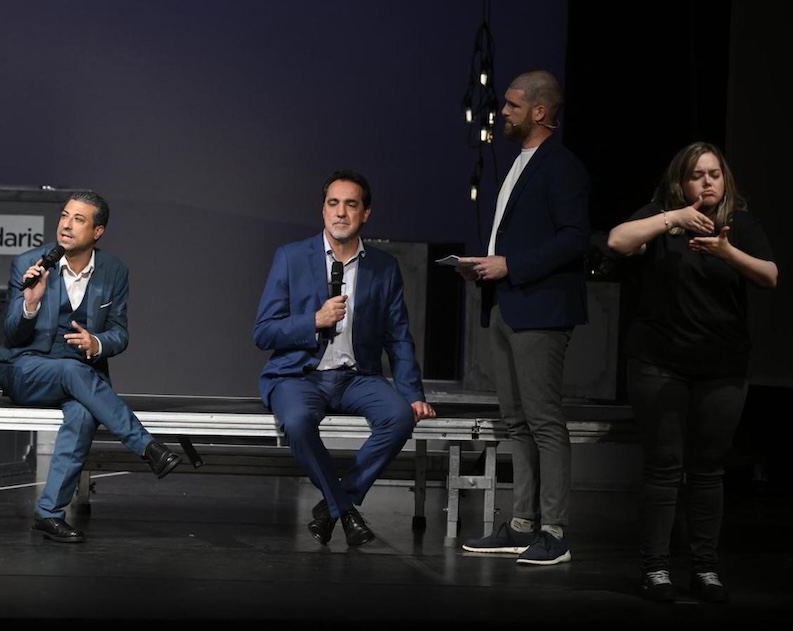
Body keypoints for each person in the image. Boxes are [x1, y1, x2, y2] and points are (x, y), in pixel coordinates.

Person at [606, 141, 778, 603]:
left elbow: (770, 276)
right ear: (681, 182)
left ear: (725, 181)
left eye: (715, 174)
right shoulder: (663, 216)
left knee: (707, 471)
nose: (707, 181)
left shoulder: (740, 223)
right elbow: (617, 241)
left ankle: (705, 570)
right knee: (664, 469)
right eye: (697, 174)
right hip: (659, 362)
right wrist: (673, 220)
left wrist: (727, 253)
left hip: (721, 365)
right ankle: (656, 570)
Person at [252, 169, 437, 548]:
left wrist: (413, 392)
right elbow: (263, 332)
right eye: (333, 204)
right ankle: (345, 510)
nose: (341, 212)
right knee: (298, 422)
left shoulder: (384, 268)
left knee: (400, 417)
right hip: (298, 376)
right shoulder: (290, 258)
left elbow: (398, 336)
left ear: (365, 214)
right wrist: (313, 321)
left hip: (358, 377)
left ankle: (333, 506)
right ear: (323, 211)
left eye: (351, 205)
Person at [0, 190, 182, 544]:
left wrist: (98, 343)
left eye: (79, 219)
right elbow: (13, 335)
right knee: (73, 372)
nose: (66, 224)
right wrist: (30, 302)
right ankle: (146, 446)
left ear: (98, 231)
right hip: (25, 368)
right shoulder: (30, 263)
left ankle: (48, 514)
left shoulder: (114, 272)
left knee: (81, 414)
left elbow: (119, 334)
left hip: (78, 377)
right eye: (64, 215)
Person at [455, 70, 591, 565]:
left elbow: (576, 237)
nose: (503, 112)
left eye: (512, 105)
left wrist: (512, 265)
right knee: (516, 422)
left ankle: (554, 530)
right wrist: (485, 268)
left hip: (540, 309)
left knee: (544, 421)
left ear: (539, 111)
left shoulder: (561, 166)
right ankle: (521, 523)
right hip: (508, 304)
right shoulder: (519, 163)